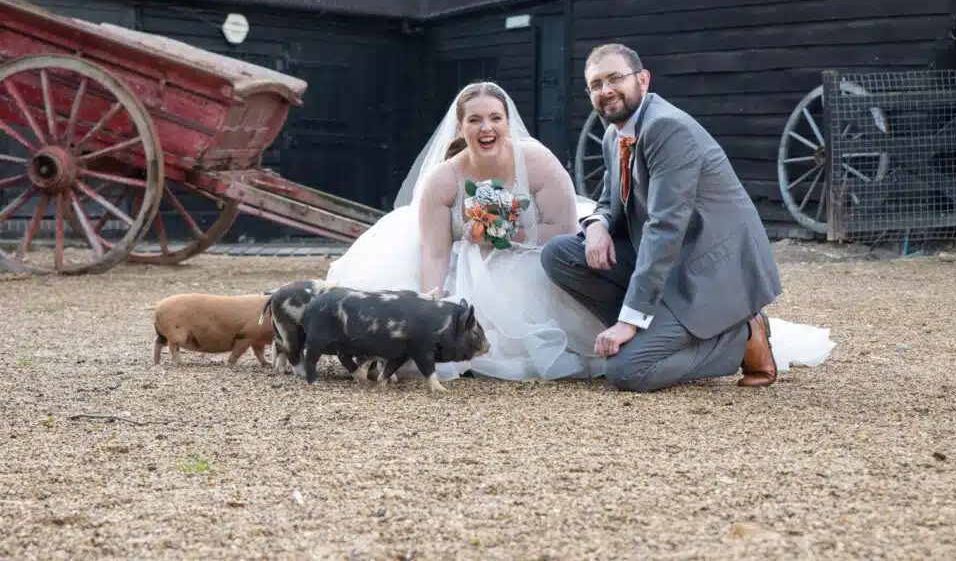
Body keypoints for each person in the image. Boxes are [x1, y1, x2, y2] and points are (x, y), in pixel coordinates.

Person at [541, 43, 835, 392]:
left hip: (706, 271)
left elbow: (665, 227)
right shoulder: (613, 135)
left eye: (615, 78)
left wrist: (628, 321)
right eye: (596, 84)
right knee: (559, 254)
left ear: (643, 80)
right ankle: (650, 329)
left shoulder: (667, 128)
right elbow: (608, 200)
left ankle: (741, 335)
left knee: (626, 372)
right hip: (666, 266)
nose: (606, 91)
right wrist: (597, 226)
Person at [324, 81, 609, 381]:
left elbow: (564, 232)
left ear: (507, 124)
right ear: (460, 127)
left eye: (495, 118)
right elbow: (435, 253)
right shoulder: (444, 179)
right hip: (462, 263)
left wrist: (506, 235)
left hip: (534, 254)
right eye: (475, 120)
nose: (486, 128)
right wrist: (429, 307)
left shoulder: (538, 163)